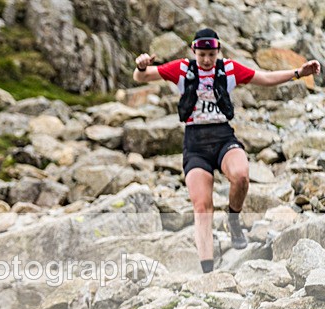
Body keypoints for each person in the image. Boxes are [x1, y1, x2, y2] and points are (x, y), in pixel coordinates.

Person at [133, 28, 321, 273]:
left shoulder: (229, 69)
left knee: (241, 175)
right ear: (194, 51)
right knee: (202, 207)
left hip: (223, 136)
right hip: (195, 143)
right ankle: (208, 272)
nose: (207, 60)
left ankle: (233, 219)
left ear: (218, 51)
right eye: (202, 55)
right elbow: (142, 78)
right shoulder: (182, 69)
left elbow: (263, 78)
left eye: (212, 54)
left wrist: (298, 73)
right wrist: (141, 66)